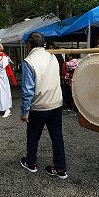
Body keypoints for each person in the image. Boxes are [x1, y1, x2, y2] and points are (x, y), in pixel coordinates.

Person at [19, 32, 66, 179]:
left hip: (39, 106)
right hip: (56, 103)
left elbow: (28, 90)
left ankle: (31, 163)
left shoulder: (29, 61)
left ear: (29, 44)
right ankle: (60, 169)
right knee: (57, 137)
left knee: (33, 136)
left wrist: (24, 111)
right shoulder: (52, 56)